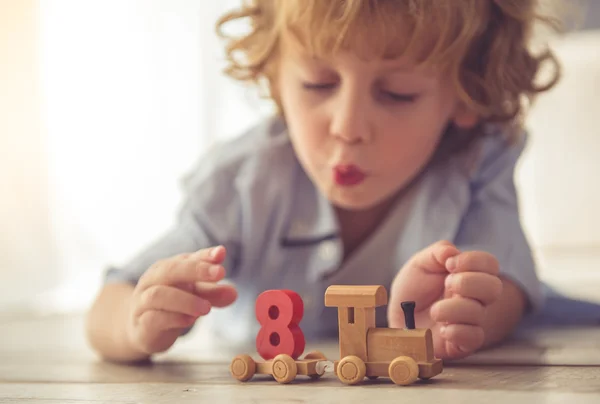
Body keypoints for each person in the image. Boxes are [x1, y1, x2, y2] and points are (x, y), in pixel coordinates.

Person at [85, 0, 563, 363]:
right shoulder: (241, 182)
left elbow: (508, 288)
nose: (348, 126)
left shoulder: (475, 162)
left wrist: (455, 320)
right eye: (317, 84)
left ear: (465, 96)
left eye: (397, 94)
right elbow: (112, 299)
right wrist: (135, 323)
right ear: (274, 79)